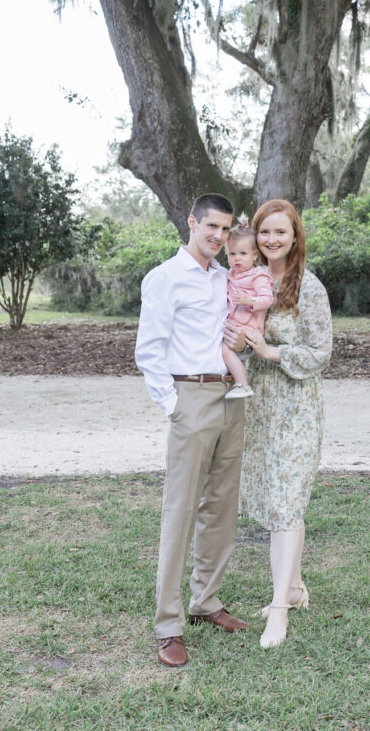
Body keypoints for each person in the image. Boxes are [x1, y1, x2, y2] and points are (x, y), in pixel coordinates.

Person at [135, 192, 248, 669]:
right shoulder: (164, 278)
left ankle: (207, 601)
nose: (220, 238)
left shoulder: (227, 278)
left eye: (226, 230)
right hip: (191, 399)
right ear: (192, 223)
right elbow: (149, 349)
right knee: (180, 510)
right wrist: (174, 406)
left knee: (222, 506)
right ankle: (168, 624)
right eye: (212, 228)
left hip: (231, 398)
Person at [236, 198, 333, 649]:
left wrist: (274, 353)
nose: (271, 240)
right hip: (261, 407)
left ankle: (278, 610)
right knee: (277, 498)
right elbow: (238, 342)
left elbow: (321, 352)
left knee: (288, 501)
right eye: (264, 232)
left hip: (296, 406)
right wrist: (238, 343)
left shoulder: (308, 287)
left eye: (280, 232)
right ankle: (293, 589)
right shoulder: (248, 280)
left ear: (295, 237)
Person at [222, 218, 274, 400]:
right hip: (236, 324)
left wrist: (249, 300)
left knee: (224, 350)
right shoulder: (231, 275)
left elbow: (267, 299)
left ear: (254, 255)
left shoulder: (258, 276)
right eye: (231, 254)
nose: (236, 258)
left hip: (249, 327)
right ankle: (232, 378)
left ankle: (242, 384)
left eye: (243, 253)